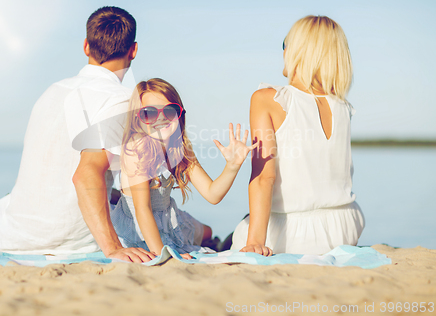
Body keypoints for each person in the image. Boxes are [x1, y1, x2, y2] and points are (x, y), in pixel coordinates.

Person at [0, 6, 154, 263]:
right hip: (68, 243)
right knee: (170, 216)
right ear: (133, 50)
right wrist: (113, 249)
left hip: (15, 236)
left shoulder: (52, 91)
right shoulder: (122, 100)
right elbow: (85, 174)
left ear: (86, 47)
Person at [231, 15, 365, 255]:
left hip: (297, 233)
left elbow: (264, 178)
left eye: (285, 44)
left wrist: (255, 243)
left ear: (298, 51)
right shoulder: (343, 106)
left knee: (241, 230)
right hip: (345, 227)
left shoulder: (268, 99)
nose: (283, 51)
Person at [111, 78, 256, 258]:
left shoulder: (178, 149)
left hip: (168, 219)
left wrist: (232, 166)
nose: (161, 118)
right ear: (137, 119)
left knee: (208, 232)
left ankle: (216, 242)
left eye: (170, 111)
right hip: (141, 229)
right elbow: (143, 210)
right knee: (197, 238)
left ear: (180, 114)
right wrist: (165, 256)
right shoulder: (137, 149)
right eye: (149, 113)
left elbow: (212, 194)